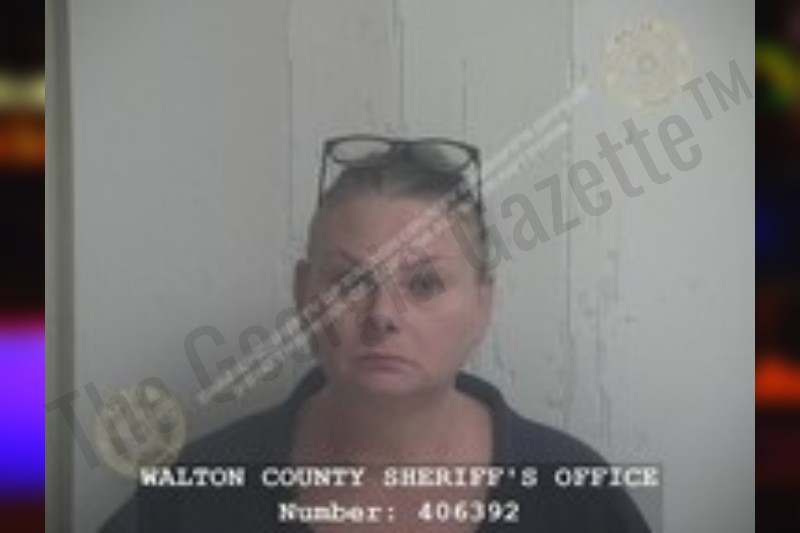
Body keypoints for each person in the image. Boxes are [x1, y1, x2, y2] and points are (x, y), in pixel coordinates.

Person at [101, 135, 651, 532]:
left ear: (482, 303)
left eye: (425, 283)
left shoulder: (571, 494)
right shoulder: (199, 492)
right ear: (304, 294)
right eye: (350, 282)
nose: (382, 314)